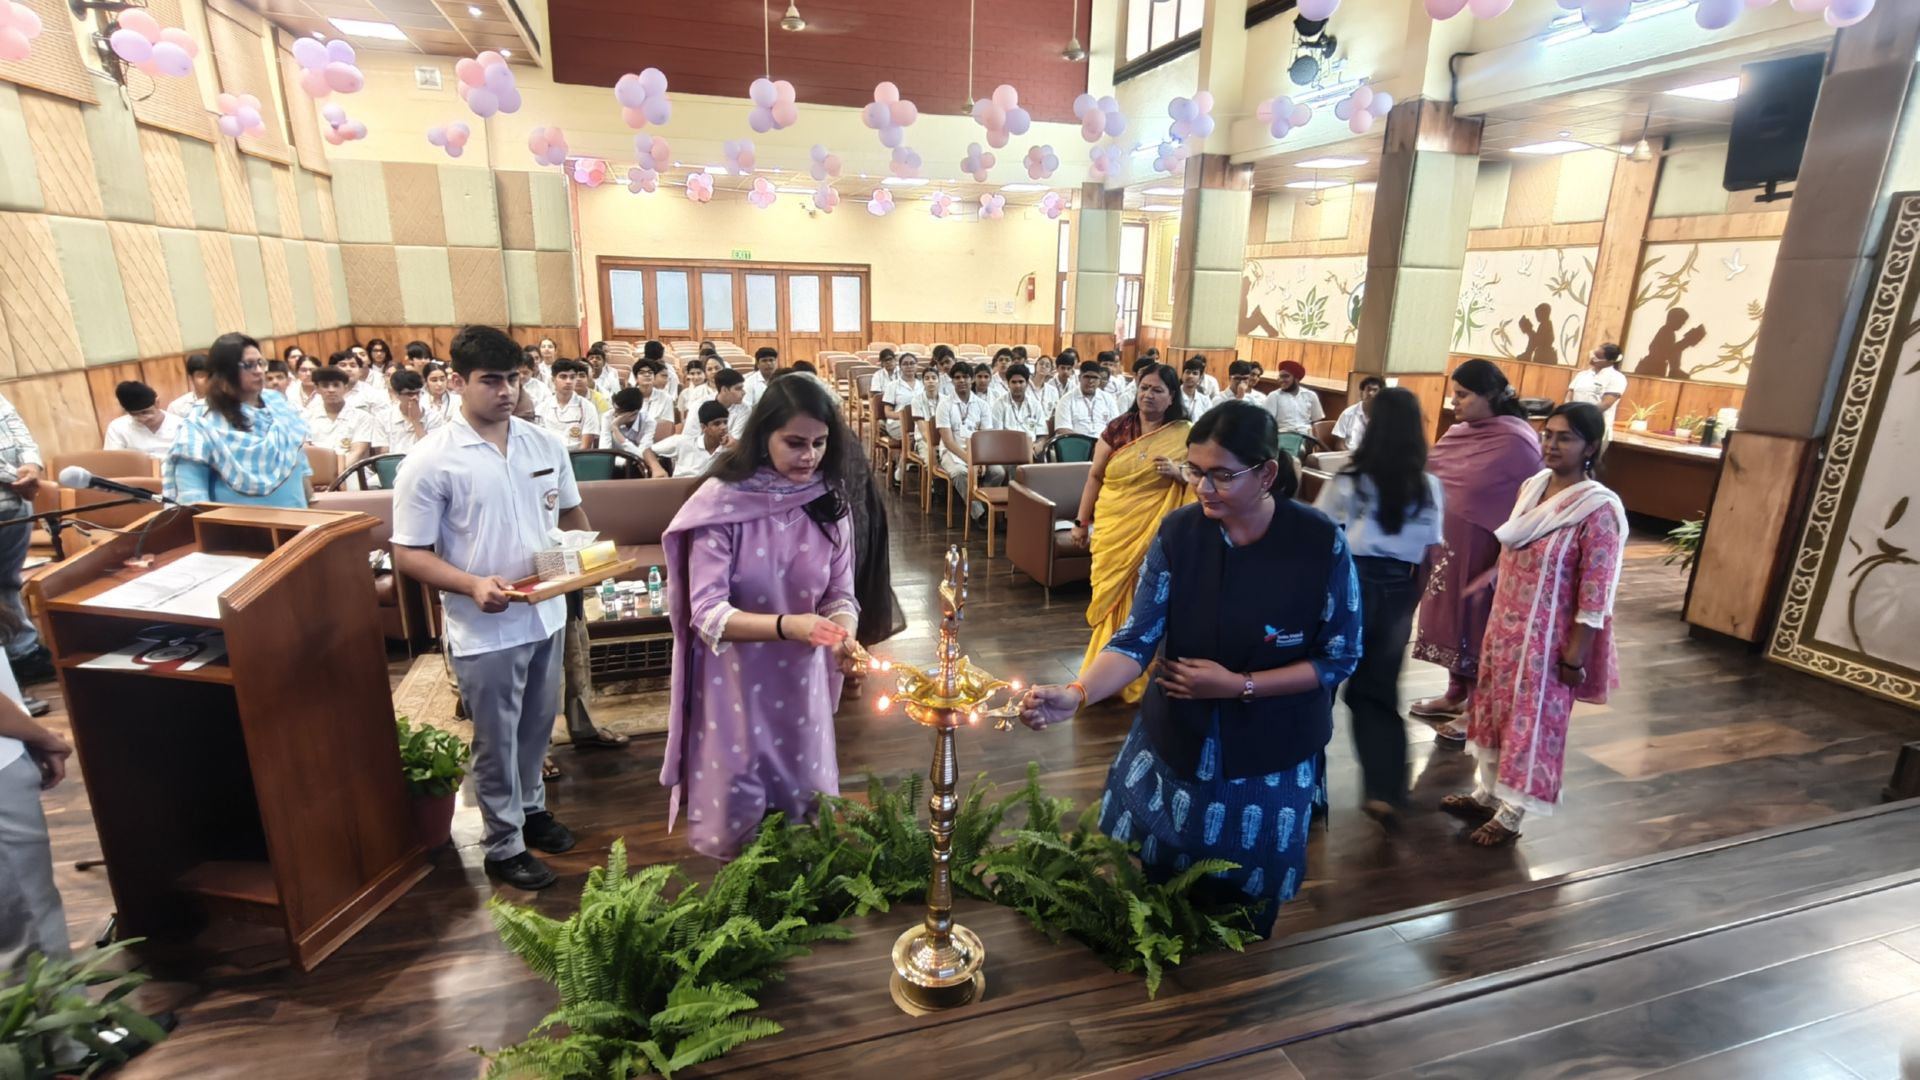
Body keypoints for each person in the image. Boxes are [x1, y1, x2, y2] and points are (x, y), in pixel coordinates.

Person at [1019, 402, 1361, 935]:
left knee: (1243, 905)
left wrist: (1238, 685)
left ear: (1267, 473)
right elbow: (1136, 639)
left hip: (1272, 749)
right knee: (1166, 885)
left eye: (1221, 475)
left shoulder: (1318, 543)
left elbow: (1339, 655)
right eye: (1195, 470)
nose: (1202, 488)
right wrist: (1077, 694)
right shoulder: (1179, 533)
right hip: (1180, 734)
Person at [392, 324, 587, 890]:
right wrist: (472, 584)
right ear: (457, 381)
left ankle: (531, 810)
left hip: (545, 611)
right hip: (486, 625)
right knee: (496, 739)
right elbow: (409, 553)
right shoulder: (430, 460)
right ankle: (503, 845)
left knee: (537, 727)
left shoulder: (543, 444)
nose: (506, 391)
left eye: (514, 379)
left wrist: (588, 558)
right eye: (491, 380)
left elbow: (569, 514)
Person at [660, 373, 863, 859]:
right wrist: (790, 626)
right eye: (795, 443)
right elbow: (707, 613)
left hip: (802, 682)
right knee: (742, 815)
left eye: (819, 443)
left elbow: (840, 594)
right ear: (763, 435)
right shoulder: (723, 504)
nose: (809, 456)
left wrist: (844, 636)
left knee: (806, 813)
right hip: (734, 682)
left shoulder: (827, 502)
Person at [1445, 403, 1625, 846]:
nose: (1552, 444)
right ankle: (1487, 793)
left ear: (1591, 447)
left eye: (1566, 437)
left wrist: (1574, 656)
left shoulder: (1598, 509)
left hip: (1548, 641)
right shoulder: (1533, 487)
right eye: (1548, 434)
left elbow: (1596, 593)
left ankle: (1511, 815)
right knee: (1492, 709)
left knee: (1532, 722)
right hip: (1504, 627)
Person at [1315, 388, 1444, 828]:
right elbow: (1428, 556)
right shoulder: (1429, 487)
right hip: (1398, 589)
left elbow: (1320, 534)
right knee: (1378, 692)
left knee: (1318, 686)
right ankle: (1386, 791)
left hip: (1348, 584)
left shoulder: (1350, 478)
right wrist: (1409, 607)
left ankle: (1308, 791)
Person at [1411, 358, 1543, 744]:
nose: (1454, 402)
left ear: (1490, 396)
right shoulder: (1459, 434)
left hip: (1485, 550)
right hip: (1445, 548)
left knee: (1477, 624)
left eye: (1463, 394)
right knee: (1448, 619)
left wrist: (1504, 562)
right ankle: (1455, 692)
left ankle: (1477, 708)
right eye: (1454, 393)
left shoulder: (1518, 442)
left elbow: (1530, 503)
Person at [1070, 362, 1192, 705]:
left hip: (1156, 529)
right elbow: (1095, 476)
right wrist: (1081, 522)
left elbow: (1202, 476)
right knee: (1111, 597)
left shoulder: (1185, 434)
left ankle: (1138, 677)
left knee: (1146, 598)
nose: (1148, 395)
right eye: (1144, 388)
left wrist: (1179, 472)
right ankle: (1104, 673)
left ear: (1172, 397)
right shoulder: (1118, 428)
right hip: (1115, 525)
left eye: (1157, 390)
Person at [165, 333, 313, 509]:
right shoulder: (201, 423)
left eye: (260, 363)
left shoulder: (278, 403)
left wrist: (310, 502)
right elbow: (192, 497)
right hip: (237, 524)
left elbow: (299, 461)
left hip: (299, 518)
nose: (259, 371)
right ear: (224, 371)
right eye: (248, 365)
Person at [0, 393, 48, 702]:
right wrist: (14, 477)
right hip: (14, 488)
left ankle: (23, 653)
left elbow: (14, 425)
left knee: (8, 582)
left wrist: (31, 465)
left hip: (15, 503)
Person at [936, 361, 995, 518]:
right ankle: (979, 514)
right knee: (960, 473)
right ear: (952, 381)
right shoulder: (944, 405)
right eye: (957, 377)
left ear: (972, 379)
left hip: (978, 452)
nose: (961, 380)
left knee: (997, 472)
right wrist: (971, 461)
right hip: (952, 451)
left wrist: (981, 460)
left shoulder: (982, 405)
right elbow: (948, 442)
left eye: (965, 377)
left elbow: (985, 437)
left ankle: (984, 504)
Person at [304, 366, 373, 466]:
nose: (331, 390)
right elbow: (305, 450)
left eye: (336, 385)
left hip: (352, 470)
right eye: (325, 386)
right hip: (316, 470)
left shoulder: (362, 417)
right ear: (317, 389)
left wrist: (336, 473)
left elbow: (358, 452)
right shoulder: (306, 417)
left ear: (345, 388)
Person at [645, 400, 730, 477]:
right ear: (703, 427)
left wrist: (734, 447)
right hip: (680, 487)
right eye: (717, 424)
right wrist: (656, 467)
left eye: (725, 422)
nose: (724, 427)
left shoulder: (729, 449)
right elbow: (647, 451)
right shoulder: (683, 442)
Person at [371, 369, 446, 455]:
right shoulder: (383, 417)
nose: (415, 397)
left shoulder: (434, 417)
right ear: (397, 394)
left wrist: (416, 422)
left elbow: (433, 452)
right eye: (409, 394)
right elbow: (383, 454)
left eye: (417, 393)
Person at [103, 381, 181, 460]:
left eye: (145, 412)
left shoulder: (180, 424)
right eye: (134, 414)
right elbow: (112, 460)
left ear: (157, 403)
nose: (142, 419)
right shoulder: (117, 427)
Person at [535, 359, 602, 451]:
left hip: (577, 457)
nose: (568, 381)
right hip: (550, 456)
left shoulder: (588, 407)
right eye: (563, 377)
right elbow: (539, 443)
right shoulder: (541, 408)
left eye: (572, 377)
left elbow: (585, 447)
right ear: (553, 380)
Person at [990, 362, 1049, 459]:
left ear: (1027, 383)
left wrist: (1037, 446)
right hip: (1006, 452)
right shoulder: (999, 405)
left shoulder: (1035, 405)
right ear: (1008, 384)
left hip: (1031, 451)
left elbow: (1042, 435)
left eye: (1021, 382)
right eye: (1014, 382)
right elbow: (997, 436)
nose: (1017, 385)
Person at [1262, 360, 1324, 450]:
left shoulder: (1310, 395)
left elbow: (1317, 421)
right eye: (1280, 377)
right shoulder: (1274, 396)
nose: (1281, 380)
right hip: (1284, 436)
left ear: (1296, 378)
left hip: (1307, 437)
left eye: (1285, 376)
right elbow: (1267, 422)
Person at [1567, 342, 1628, 431]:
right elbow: (1569, 397)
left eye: (1597, 357)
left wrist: (1583, 417)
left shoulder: (1617, 378)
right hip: (1573, 422)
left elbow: (1605, 404)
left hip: (1595, 425)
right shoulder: (1582, 375)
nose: (1592, 358)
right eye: (1593, 354)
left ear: (1610, 361)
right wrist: (1567, 413)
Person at [1053, 359, 1118, 438]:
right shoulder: (1067, 400)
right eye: (1087, 377)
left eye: (1095, 377)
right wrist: (1086, 442)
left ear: (1099, 380)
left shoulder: (1108, 399)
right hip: (1076, 442)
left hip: (1103, 443)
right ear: (1079, 378)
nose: (1091, 381)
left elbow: (1116, 426)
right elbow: (1063, 429)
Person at [1328, 376, 1384, 452]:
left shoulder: (1385, 416)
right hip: (1349, 455)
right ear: (1361, 393)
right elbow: (1339, 445)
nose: (1370, 393)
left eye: (1375, 390)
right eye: (1368, 389)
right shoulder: (1348, 414)